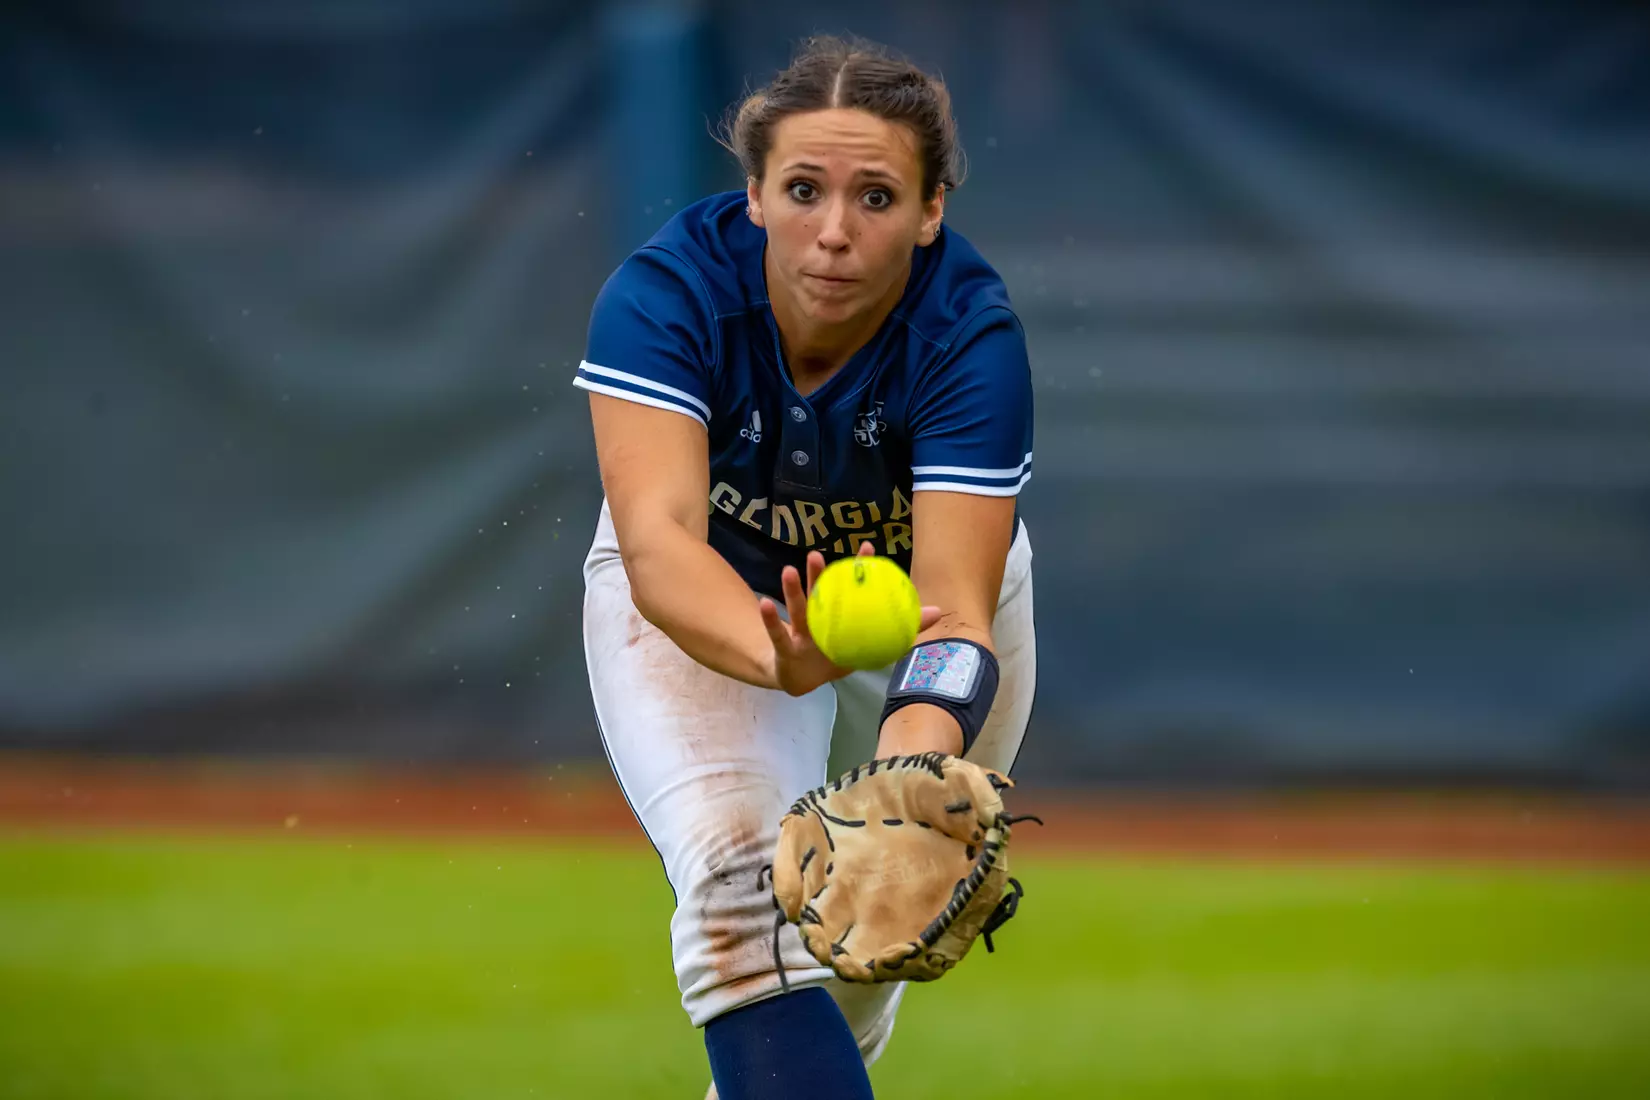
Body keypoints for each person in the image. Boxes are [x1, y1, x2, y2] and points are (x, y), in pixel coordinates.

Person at [574, 33, 1037, 1100]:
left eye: (877, 196)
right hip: (714, 592)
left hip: (928, 607)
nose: (833, 231)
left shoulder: (968, 331)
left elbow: (955, 611)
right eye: (802, 189)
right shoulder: (666, 295)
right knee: (743, 892)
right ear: (753, 197)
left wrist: (912, 783)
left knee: (862, 937)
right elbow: (658, 545)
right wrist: (767, 651)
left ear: (930, 214)